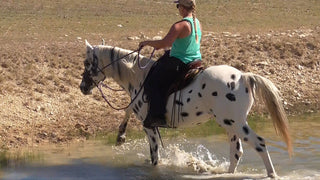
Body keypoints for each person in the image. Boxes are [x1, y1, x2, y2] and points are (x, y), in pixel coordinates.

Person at [139, 0, 202, 128]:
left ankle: (158, 116)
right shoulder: (197, 23)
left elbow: (164, 43)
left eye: (178, 6)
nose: (178, 8)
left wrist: (146, 43)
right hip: (195, 60)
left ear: (183, 8)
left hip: (180, 62)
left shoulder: (180, 25)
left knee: (152, 82)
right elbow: (186, 43)